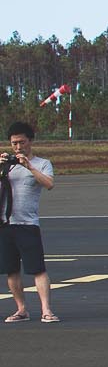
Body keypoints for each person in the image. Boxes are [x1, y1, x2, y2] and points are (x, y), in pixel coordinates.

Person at [3, 120, 58, 323]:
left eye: (21, 142)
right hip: (6, 223)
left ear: (30, 141)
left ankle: (46, 310)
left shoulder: (42, 163)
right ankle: (21, 309)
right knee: (11, 270)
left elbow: (49, 184)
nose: (18, 147)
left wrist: (29, 166)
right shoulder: (6, 166)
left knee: (37, 269)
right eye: (14, 143)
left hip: (28, 225)